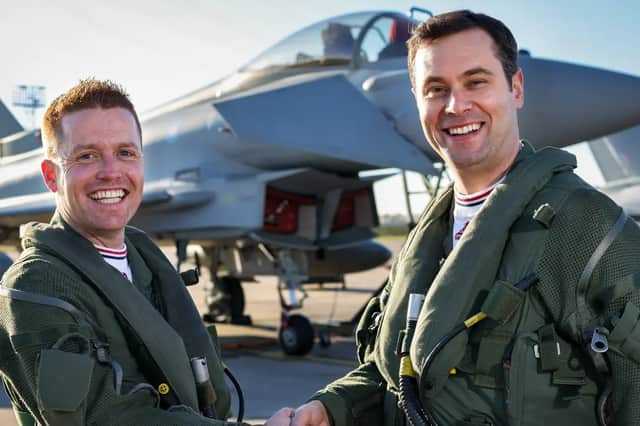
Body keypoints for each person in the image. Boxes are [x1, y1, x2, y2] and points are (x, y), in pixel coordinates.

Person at [277, 10, 640, 426]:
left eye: (476, 82)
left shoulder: (584, 226)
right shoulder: (427, 236)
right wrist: (328, 408)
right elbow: (396, 373)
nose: (455, 105)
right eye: (436, 89)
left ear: (516, 88)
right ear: (418, 100)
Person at [0, 79, 292, 426]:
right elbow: (106, 418)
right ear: (51, 176)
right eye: (87, 156)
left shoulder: (144, 264)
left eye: (126, 153)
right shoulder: (38, 285)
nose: (111, 172)